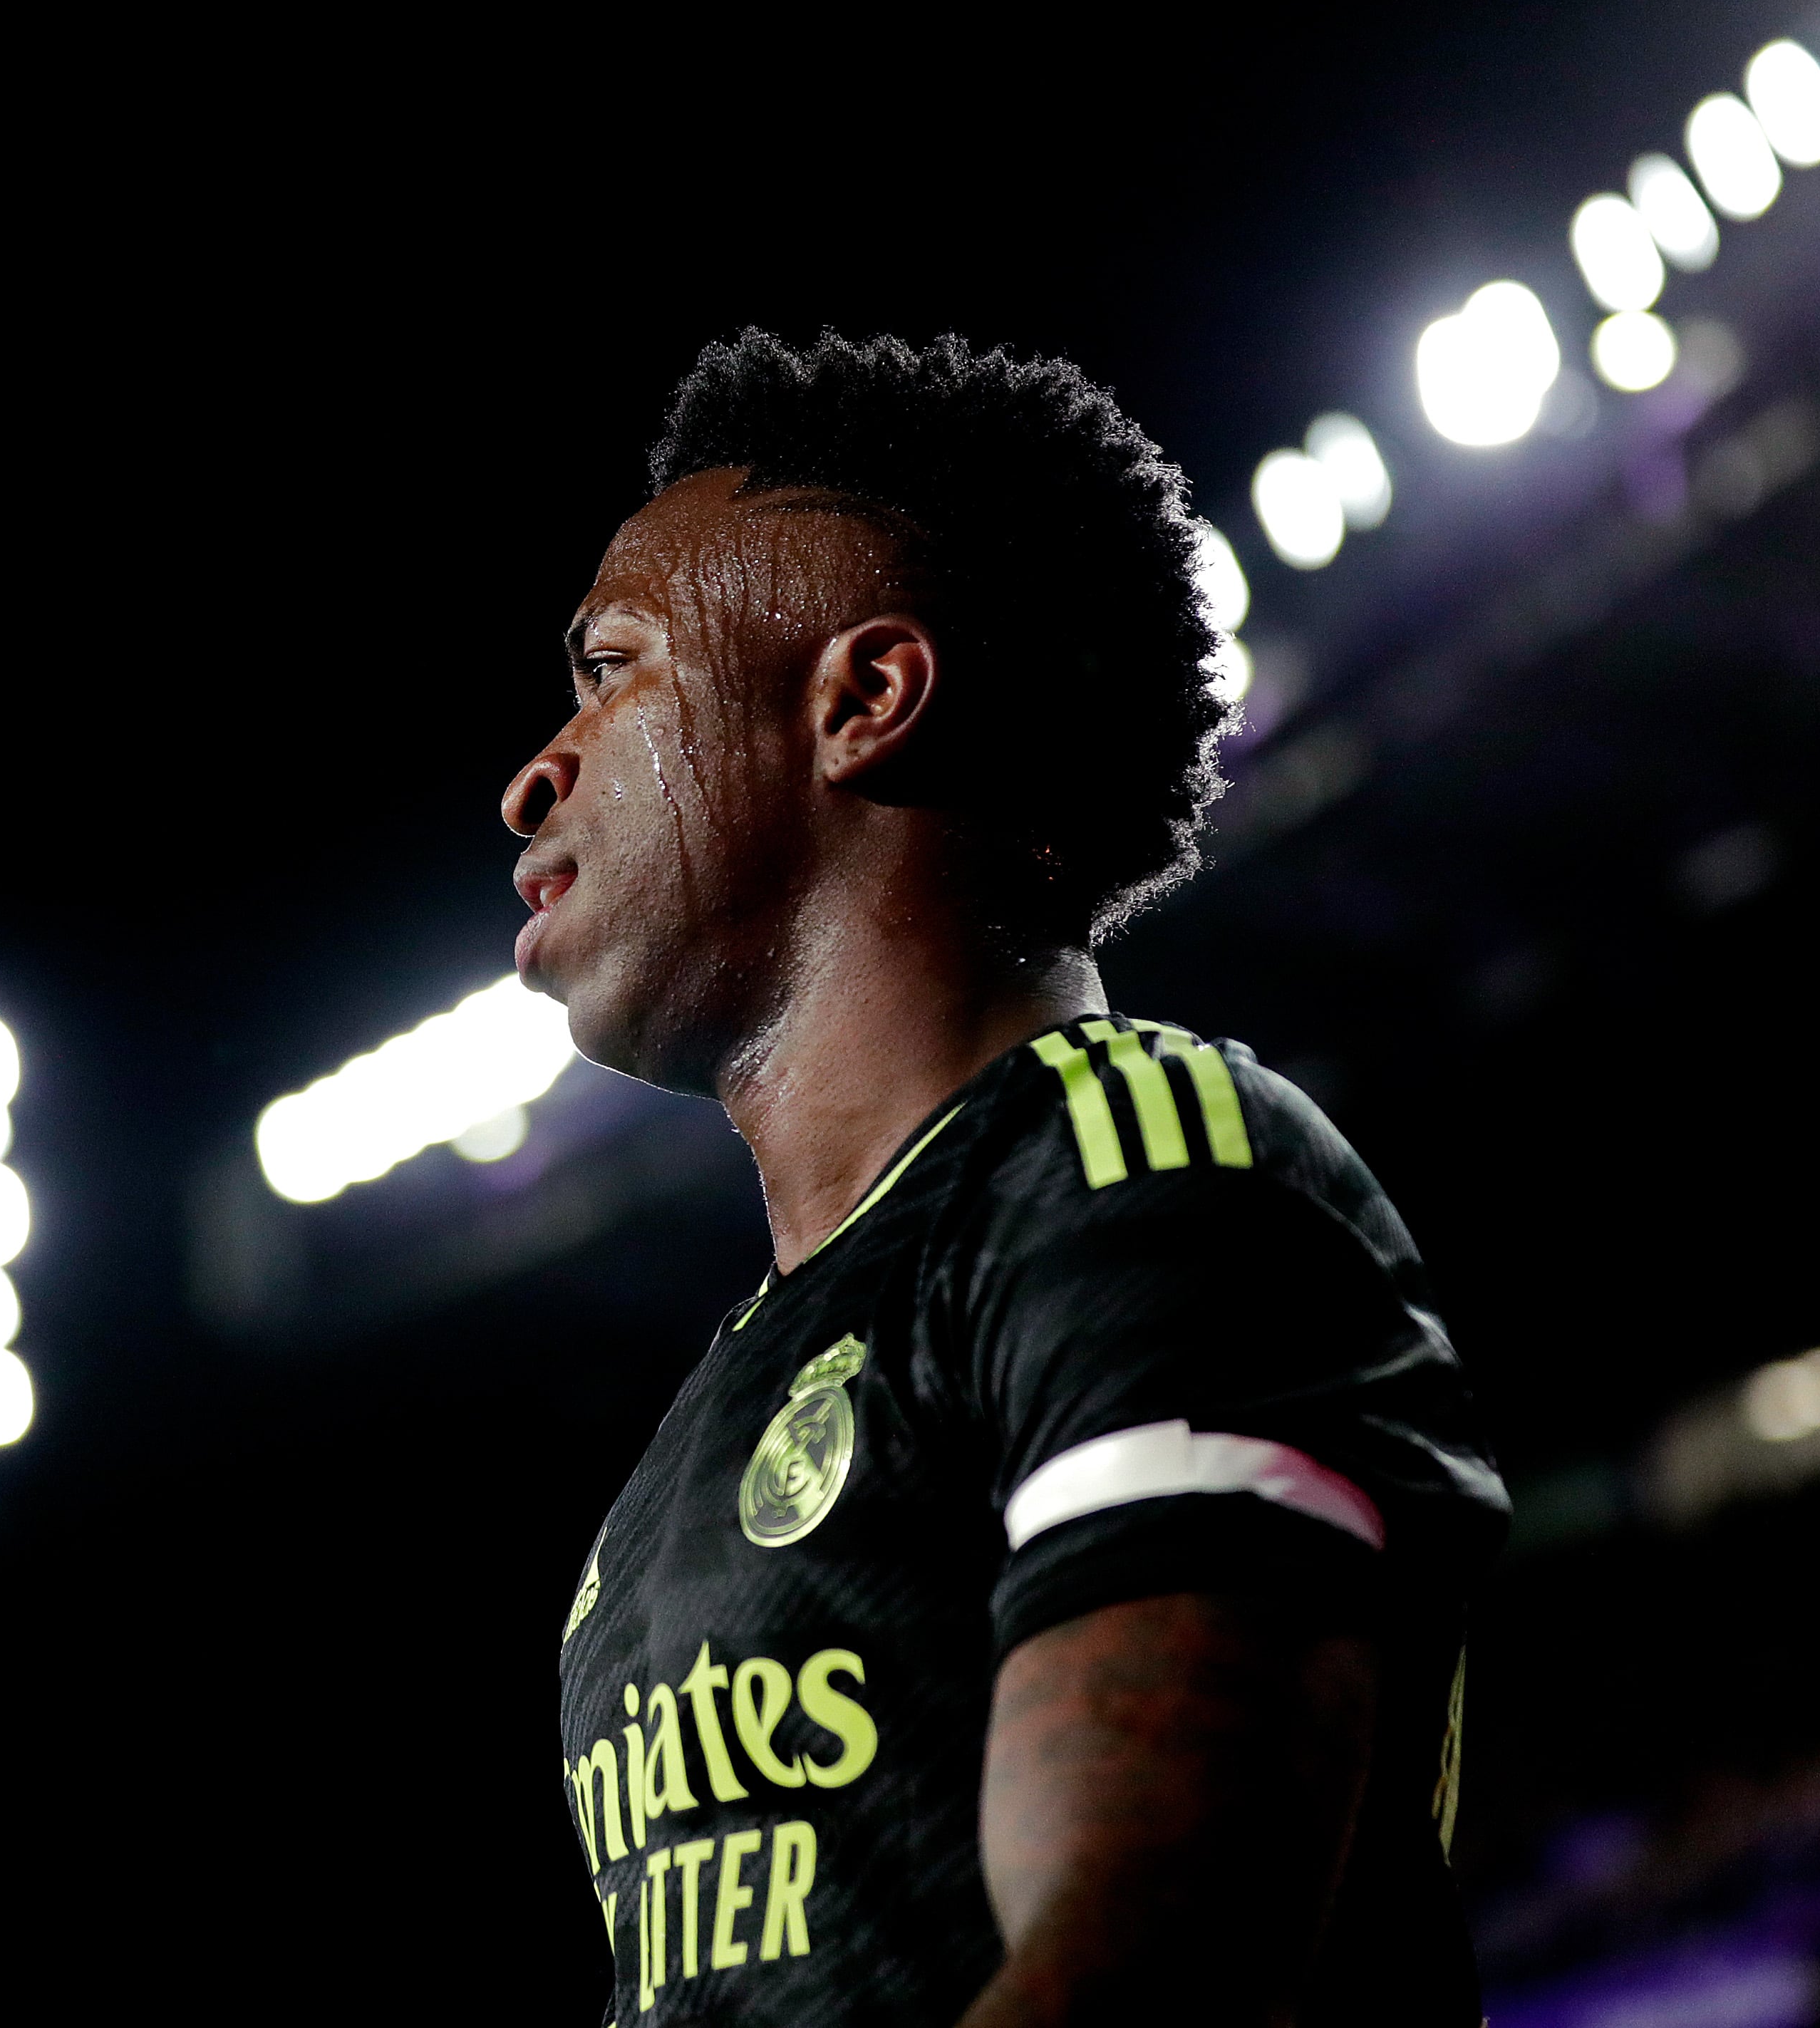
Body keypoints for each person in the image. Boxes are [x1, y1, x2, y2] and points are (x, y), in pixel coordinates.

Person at [512, 329, 1506, 2026]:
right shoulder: (697, 1438)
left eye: (613, 667)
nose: (538, 766)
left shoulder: (1145, 1177)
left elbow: (1151, 1964)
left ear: (862, 699)